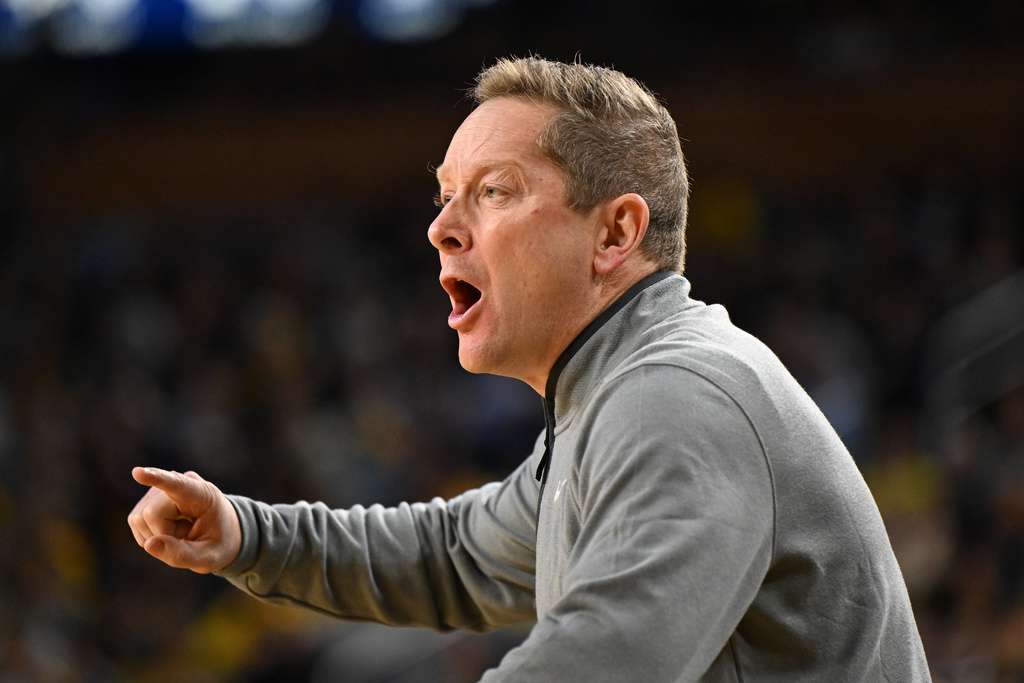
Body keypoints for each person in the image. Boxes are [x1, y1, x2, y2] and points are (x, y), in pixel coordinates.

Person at [128, 56, 932, 681]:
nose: (442, 227)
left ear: (615, 235)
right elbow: (455, 556)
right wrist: (247, 533)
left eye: (493, 191)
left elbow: (601, 661)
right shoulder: (617, 394)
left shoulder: (678, 398)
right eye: (444, 196)